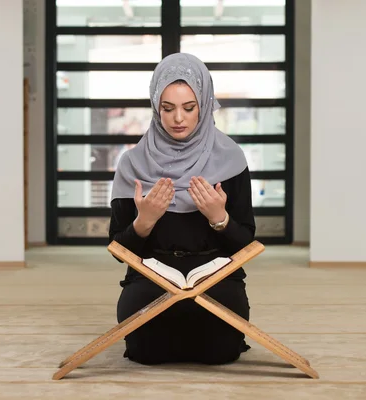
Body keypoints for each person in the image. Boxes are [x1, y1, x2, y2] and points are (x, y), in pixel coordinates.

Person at [108, 53, 255, 365]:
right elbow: (117, 248)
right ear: (155, 107)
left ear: (203, 105)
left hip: (217, 279)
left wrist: (220, 219)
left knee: (221, 353)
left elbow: (246, 246)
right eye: (167, 108)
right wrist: (143, 223)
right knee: (145, 352)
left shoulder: (231, 160)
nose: (178, 118)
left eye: (189, 108)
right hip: (150, 279)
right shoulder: (133, 164)